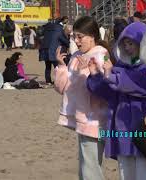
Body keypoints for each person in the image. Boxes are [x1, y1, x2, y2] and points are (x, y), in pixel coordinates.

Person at [87, 22, 146, 180]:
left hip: (144, 122)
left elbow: (137, 84)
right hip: (122, 125)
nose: (128, 47)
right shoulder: (119, 67)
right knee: (124, 169)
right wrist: (96, 76)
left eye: (132, 43)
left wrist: (111, 76)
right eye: (125, 43)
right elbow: (108, 92)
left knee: (144, 169)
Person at [53, 16, 109, 180]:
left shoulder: (101, 55)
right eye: (74, 36)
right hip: (81, 117)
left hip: (95, 119)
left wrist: (88, 73)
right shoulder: (76, 56)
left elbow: (104, 89)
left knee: (91, 166)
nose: (76, 41)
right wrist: (61, 66)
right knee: (86, 163)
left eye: (80, 36)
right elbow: (63, 88)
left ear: (92, 36)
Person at [39, 18, 70, 84]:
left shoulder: (47, 28)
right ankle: (58, 80)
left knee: (47, 66)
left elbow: (41, 36)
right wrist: (68, 43)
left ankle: (48, 81)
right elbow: (62, 38)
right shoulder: (58, 28)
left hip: (44, 49)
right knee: (57, 66)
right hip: (53, 49)